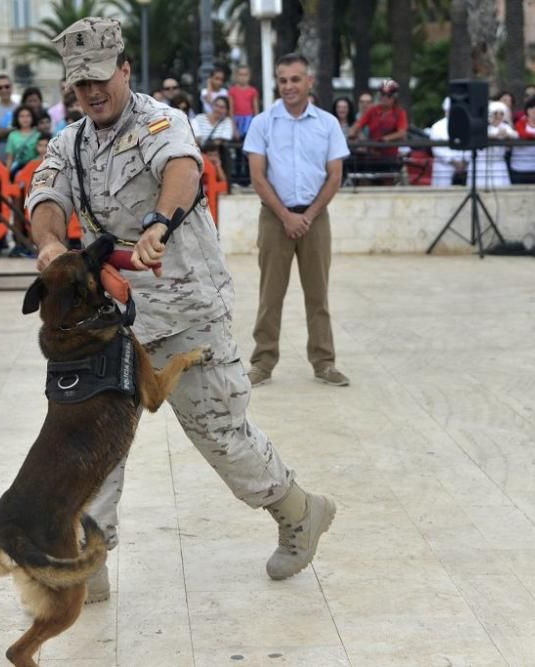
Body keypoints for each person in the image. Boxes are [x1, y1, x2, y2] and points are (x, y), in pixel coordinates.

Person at [26, 17, 336, 600]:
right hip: (108, 324)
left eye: (100, 80)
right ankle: (89, 566)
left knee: (221, 434)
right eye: (79, 86)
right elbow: (45, 194)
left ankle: (299, 511)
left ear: (123, 69)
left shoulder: (161, 122)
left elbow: (182, 171)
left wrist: (159, 222)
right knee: (92, 446)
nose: (92, 93)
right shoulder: (70, 141)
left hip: (185, 311)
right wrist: (48, 241)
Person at [243, 52, 350, 388]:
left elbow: (334, 177)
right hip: (275, 218)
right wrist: (287, 216)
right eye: (283, 80)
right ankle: (262, 362)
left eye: (295, 79)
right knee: (270, 294)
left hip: (315, 218)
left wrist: (306, 217)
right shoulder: (263, 123)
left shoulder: (328, 124)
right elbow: (258, 177)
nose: (288, 86)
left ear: (309, 81)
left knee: (318, 295)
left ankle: (324, 363)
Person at [349, 78, 407, 165]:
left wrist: (385, 139)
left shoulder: (399, 113)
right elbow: (358, 124)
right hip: (371, 155)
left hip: (391, 156)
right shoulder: (372, 110)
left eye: (389, 95)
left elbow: (402, 132)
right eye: (382, 94)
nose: (385, 98)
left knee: (395, 176)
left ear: (394, 97)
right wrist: (352, 134)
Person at [468, 101, 513, 188]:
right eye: (496, 113)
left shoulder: (505, 127)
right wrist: (495, 136)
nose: (498, 116)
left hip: (498, 164)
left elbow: (515, 135)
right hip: (481, 164)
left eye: (501, 114)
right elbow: (477, 134)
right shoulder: (483, 125)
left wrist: (507, 134)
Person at [510, 96, 535, 184]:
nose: (534, 111)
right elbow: (521, 134)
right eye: (531, 108)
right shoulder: (520, 123)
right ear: (527, 110)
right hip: (519, 167)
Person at [428, 97, 467, 187]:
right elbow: (436, 149)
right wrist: (453, 161)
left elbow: (468, 144)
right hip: (443, 167)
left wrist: (464, 161)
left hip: (464, 168)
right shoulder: (437, 127)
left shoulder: (465, 124)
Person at [5, 104, 40, 177]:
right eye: (22, 116)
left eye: (28, 116)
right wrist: (7, 176)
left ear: (32, 117)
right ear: (17, 118)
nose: (25, 119)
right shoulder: (12, 135)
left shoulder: (38, 135)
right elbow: (10, 158)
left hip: (36, 170)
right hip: (17, 171)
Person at [228, 64, 260, 136]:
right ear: (236, 76)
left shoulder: (253, 91)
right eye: (240, 75)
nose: (243, 77)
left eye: (245, 75)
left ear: (249, 76)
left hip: (249, 120)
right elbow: (231, 110)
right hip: (237, 120)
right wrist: (233, 127)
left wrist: (257, 126)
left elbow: (256, 110)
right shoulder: (232, 91)